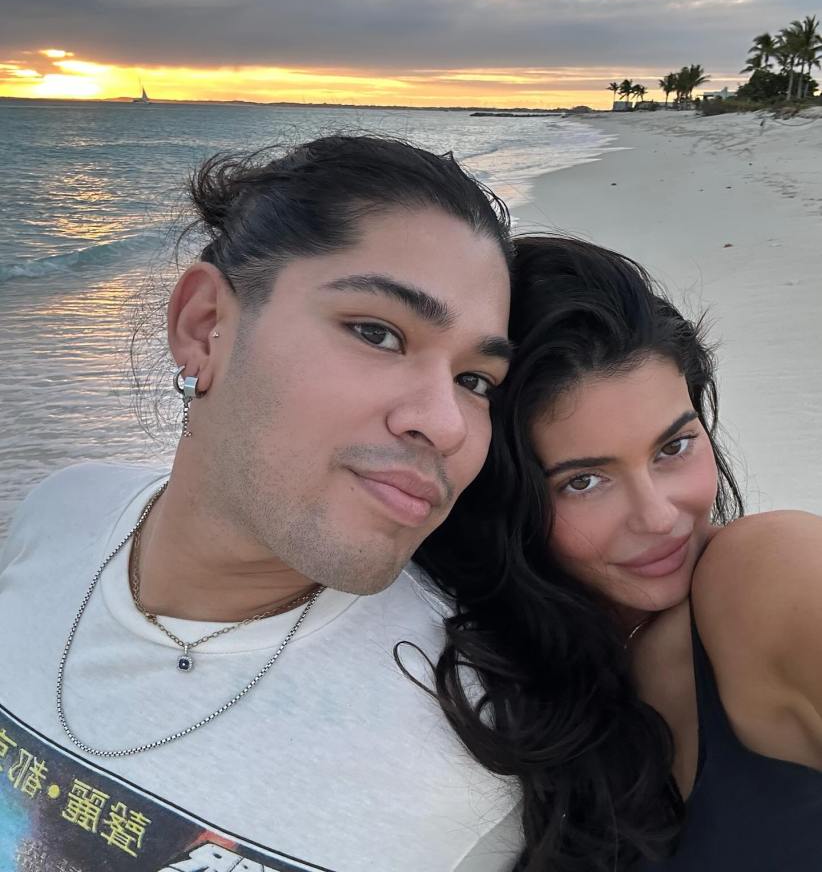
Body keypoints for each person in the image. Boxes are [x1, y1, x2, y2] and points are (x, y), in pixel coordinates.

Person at [0, 135, 523, 872]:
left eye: (476, 382)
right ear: (204, 326)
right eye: (378, 333)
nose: (444, 423)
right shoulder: (55, 516)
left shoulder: (479, 743)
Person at [419, 234, 822, 872]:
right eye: (583, 481)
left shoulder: (771, 572)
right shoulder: (502, 669)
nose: (660, 517)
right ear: (501, 503)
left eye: (674, 447)